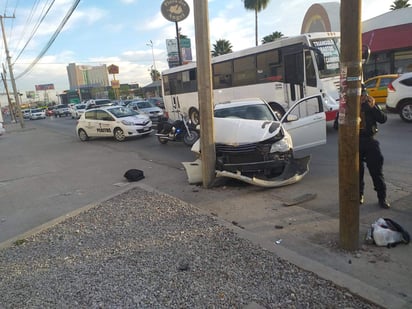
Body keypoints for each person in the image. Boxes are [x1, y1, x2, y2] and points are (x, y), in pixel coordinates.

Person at [359, 85, 390, 208]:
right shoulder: (348, 105)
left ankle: (382, 198)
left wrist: (372, 108)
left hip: (370, 141)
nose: (362, 98)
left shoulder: (370, 104)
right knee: (357, 173)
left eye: (363, 95)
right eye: (359, 96)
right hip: (354, 142)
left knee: (376, 172)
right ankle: (359, 195)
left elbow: (383, 119)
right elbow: (336, 125)